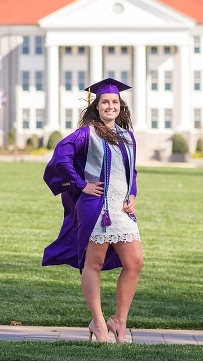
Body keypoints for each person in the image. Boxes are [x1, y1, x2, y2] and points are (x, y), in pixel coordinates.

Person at [42, 78, 143, 344]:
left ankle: (118, 320)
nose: (110, 106)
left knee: (134, 263)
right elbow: (60, 157)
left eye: (115, 102)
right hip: (96, 208)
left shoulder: (128, 136)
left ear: (121, 107)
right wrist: (80, 185)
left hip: (122, 211)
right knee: (93, 264)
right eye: (105, 102)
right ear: (96, 106)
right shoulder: (87, 133)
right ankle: (98, 323)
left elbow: (131, 171)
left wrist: (132, 194)